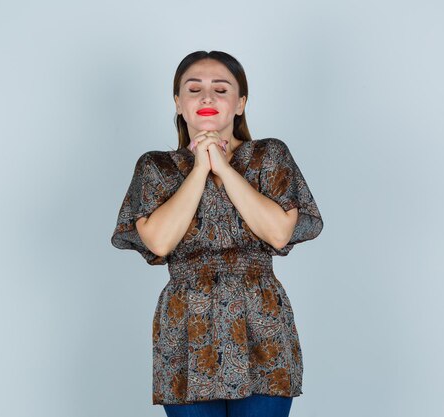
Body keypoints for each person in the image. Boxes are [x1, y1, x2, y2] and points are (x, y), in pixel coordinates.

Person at [110, 50, 324, 417]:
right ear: (178, 103)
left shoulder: (269, 156)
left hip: (262, 324)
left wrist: (223, 168)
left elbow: (277, 233)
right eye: (194, 89)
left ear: (240, 103)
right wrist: (198, 168)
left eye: (220, 89)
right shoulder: (156, 167)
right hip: (186, 329)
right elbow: (159, 241)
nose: (206, 97)